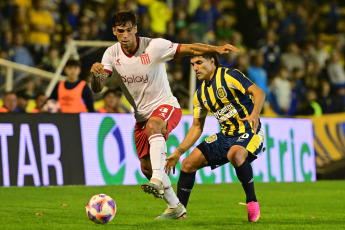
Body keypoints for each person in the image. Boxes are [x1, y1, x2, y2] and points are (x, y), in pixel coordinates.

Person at [90, 10, 238, 220]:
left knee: (154, 126)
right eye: (120, 31)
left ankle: (159, 178)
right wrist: (96, 77)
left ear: (136, 29)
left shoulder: (154, 46)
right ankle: (175, 207)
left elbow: (191, 48)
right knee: (146, 167)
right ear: (114, 31)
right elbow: (98, 88)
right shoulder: (111, 54)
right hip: (141, 117)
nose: (125, 35)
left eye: (129, 30)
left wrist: (216, 49)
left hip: (166, 106)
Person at [164, 54, 266, 222]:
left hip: (250, 130)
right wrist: (178, 152)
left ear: (211, 61)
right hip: (226, 135)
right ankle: (179, 211)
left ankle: (252, 201)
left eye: (199, 62)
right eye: (192, 64)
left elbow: (259, 93)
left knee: (235, 154)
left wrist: (255, 114)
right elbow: (197, 127)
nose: (195, 68)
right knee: (188, 164)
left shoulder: (229, 75)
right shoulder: (200, 94)